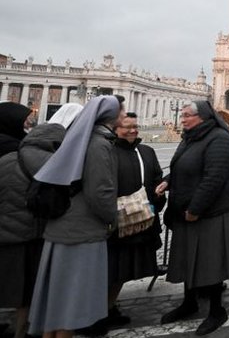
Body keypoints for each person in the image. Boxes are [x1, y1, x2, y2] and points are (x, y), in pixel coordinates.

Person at [28, 96, 121, 338]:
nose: (124, 114)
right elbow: (100, 192)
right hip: (83, 231)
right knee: (73, 299)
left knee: (57, 299)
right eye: (120, 111)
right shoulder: (99, 144)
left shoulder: (77, 138)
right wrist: (112, 218)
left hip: (61, 225)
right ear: (110, 116)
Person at [156, 101, 229, 335]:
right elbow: (183, 165)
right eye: (182, 115)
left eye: (187, 116)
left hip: (210, 212)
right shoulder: (191, 136)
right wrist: (169, 180)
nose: (182, 119)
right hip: (188, 209)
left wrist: (195, 208)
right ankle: (189, 302)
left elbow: (213, 178)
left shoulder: (219, 138)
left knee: (210, 261)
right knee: (188, 257)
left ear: (203, 117)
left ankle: (217, 310)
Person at [0, 104, 82, 338]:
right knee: (30, 287)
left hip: (8, 232)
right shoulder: (52, 162)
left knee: (13, 285)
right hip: (34, 232)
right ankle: (25, 329)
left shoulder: (7, 157)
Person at [86, 112, 165, 335]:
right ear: (114, 129)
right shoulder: (105, 151)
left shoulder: (146, 152)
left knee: (122, 271)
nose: (132, 131)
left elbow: (156, 177)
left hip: (140, 220)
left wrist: (160, 191)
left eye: (135, 126)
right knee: (107, 270)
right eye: (127, 127)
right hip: (112, 223)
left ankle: (109, 308)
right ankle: (94, 314)